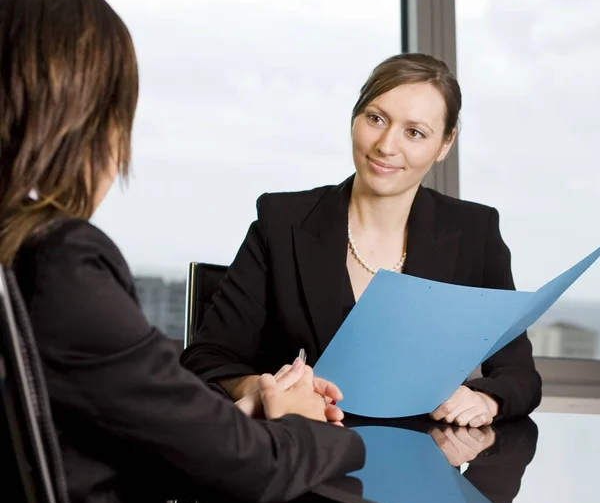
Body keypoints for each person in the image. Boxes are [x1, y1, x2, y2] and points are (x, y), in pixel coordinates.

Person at [0, 0, 368, 503]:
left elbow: (96, 422)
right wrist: (328, 432)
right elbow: (259, 470)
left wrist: (248, 411)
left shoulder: (15, 256)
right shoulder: (60, 264)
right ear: (88, 120)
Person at [182, 53, 542, 427]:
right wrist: (265, 389)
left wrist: (487, 399)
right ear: (355, 118)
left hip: (419, 464)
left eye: (414, 132)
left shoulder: (475, 231)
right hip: (300, 456)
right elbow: (207, 358)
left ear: (445, 144)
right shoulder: (281, 221)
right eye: (375, 118)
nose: (386, 145)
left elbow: (519, 376)